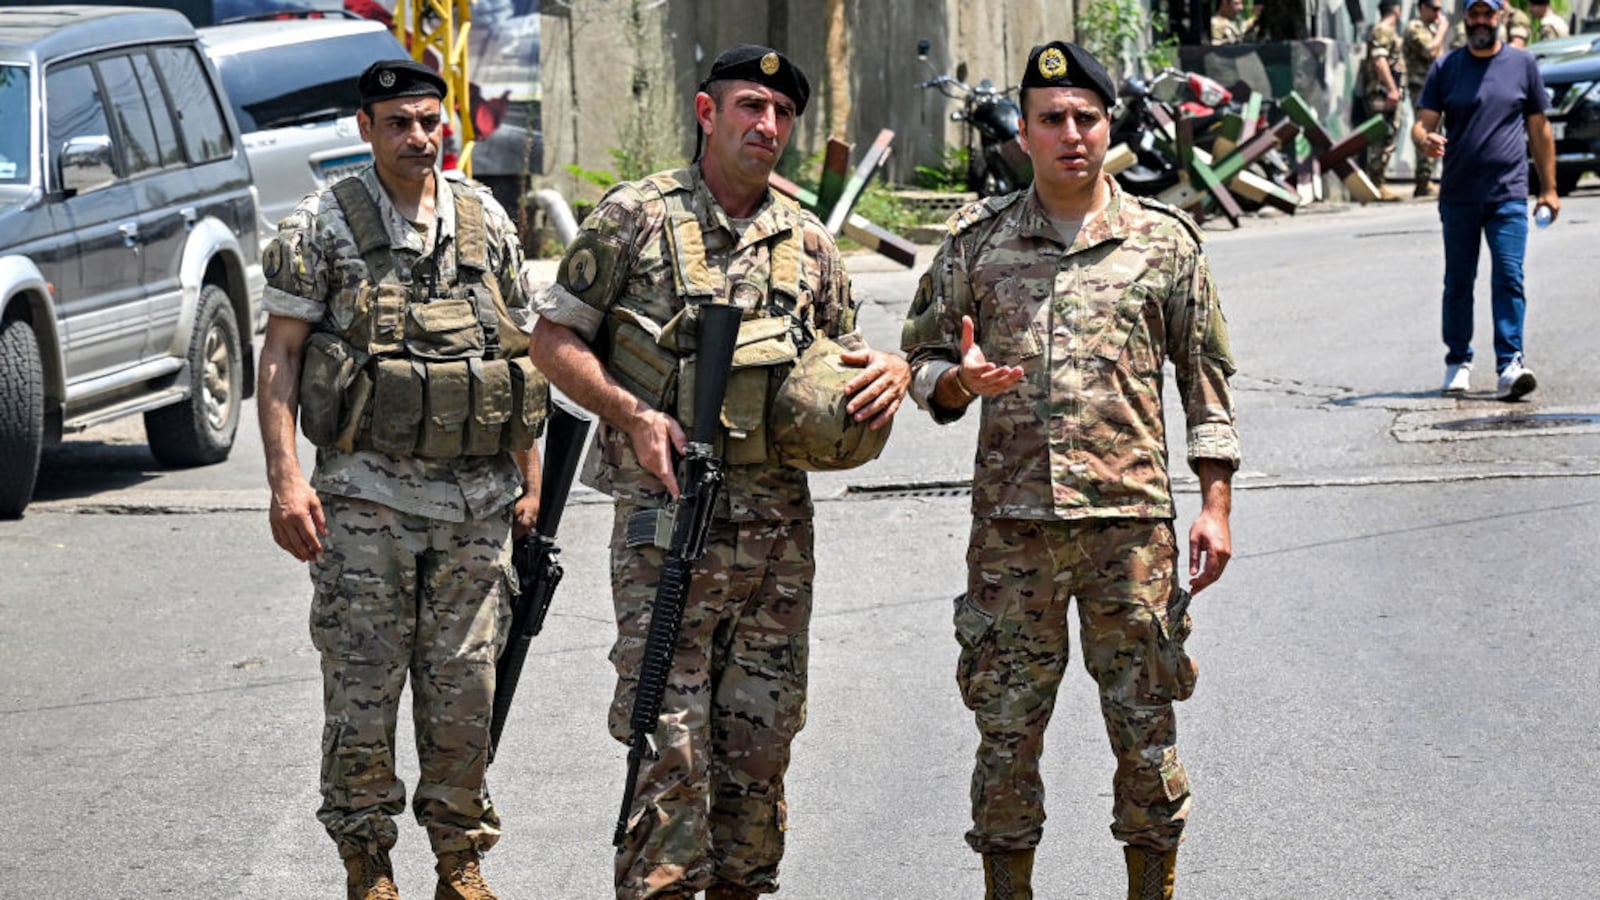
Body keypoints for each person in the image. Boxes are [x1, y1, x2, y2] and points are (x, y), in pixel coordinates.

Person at [526, 44, 910, 900]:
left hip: (775, 540)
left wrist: (890, 373)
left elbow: (837, 364)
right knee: (668, 738)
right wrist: (634, 414)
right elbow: (553, 339)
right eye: (748, 106)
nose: (765, 125)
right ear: (708, 114)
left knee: (760, 746)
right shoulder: (637, 216)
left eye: (779, 113)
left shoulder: (810, 241)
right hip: (664, 530)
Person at [902, 40, 1240, 900]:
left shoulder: (1164, 245)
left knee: (1146, 732)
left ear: (1108, 126)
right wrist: (957, 382)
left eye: (1086, 117)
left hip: (1132, 535)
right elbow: (922, 364)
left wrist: (1214, 505)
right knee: (1006, 736)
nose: (1071, 133)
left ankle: (1151, 887)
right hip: (1012, 538)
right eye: (1052, 118)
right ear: (1024, 130)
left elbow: (1205, 380)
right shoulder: (974, 246)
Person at [257, 59, 542, 900]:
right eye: (400, 124)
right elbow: (280, 355)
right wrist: (285, 481)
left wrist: (529, 476)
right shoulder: (322, 224)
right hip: (364, 500)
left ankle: (460, 860)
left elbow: (517, 348)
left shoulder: (486, 216)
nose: (419, 138)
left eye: (430, 121)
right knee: (362, 685)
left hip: (476, 504)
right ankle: (366, 861)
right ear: (366, 129)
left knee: (466, 689)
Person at [1413, 0, 1558, 399]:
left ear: (1500, 17)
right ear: (1466, 18)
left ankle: (1510, 363)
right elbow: (1421, 124)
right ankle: (1457, 360)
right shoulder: (1447, 67)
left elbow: (1539, 129)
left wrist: (1548, 188)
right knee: (1458, 282)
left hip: (1508, 194)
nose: (1481, 21)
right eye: (1474, 13)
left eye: (1488, 13)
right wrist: (1425, 140)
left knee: (1509, 277)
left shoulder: (1522, 64)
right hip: (1459, 195)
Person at [1403, 0, 1453, 197]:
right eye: (1434, 8)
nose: (1438, 13)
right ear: (1422, 7)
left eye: (1440, 9)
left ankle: (1428, 178)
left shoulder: (1428, 29)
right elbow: (1431, 51)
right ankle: (1423, 181)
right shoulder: (1415, 28)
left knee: (1437, 130)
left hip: (1434, 86)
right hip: (1421, 87)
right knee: (1426, 129)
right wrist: (1442, 30)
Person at [1362, 0, 1408, 200]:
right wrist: (1391, 89)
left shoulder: (1386, 31)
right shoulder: (1382, 30)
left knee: (1387, 138)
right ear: (1397, 11)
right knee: (1383, 139)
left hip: (1386, 93)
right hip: (1383, 94)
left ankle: (1376, 183)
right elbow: (1379, 61)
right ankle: (1375, 184)